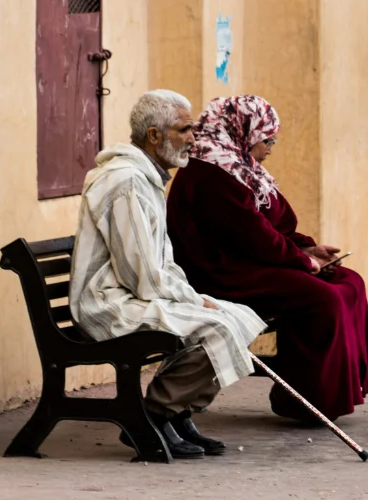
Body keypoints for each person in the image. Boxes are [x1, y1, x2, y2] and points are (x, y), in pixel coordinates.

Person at [69, 90, 266, 460]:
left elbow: (162, 261)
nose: (194, 138)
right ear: (154, 136)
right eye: (184, 129)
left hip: (134, 293)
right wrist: (193, 300)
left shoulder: (149, 179)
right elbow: (141, 275)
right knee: (216, 327)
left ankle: (178, 410)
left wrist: (192, 296)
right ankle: (153, 413)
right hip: (109, 303)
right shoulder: (125, 181)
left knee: (240, 317)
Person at [166, 95, 368, 422]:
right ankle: (307, 400)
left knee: (349, 281)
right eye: (267, 139)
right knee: (323, 297)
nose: (271, 147)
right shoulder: (212, 171)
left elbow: (274, 224)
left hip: (249, 262)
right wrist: (303, 262)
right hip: (220, 273)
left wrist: (308, 250)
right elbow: (252, 235)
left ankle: (334, 390)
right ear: (243, 131)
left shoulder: (240, 166)